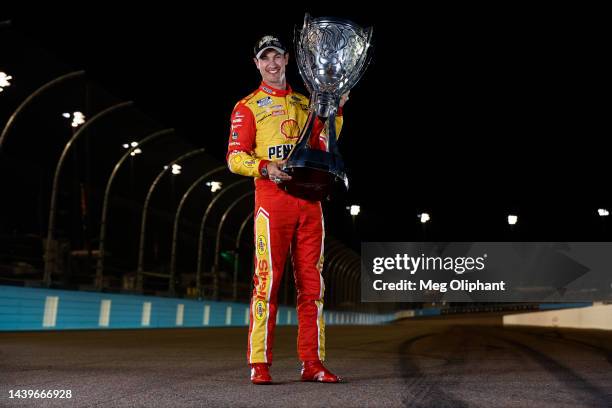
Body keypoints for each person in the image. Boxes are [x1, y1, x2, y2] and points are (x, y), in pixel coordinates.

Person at [226, 35, 348, 384]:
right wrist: (265, 167)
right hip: (272, 202)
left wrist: (335, 108)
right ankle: (259, 363)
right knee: (267, 281)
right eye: (265, 58)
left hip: (309, 202)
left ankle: (313, 363)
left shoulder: (306, 101)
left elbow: (326, 141)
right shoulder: (247, 106)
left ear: (287, 58)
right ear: (257, 64)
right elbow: (235, 158)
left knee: (313, 286)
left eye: (277, 56)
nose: (272, 64)